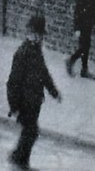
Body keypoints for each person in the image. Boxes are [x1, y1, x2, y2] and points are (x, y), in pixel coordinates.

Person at [7, 13, 62, 169]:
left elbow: (44, 74)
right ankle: (20, 161)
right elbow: (13, 83)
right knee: (31, 131)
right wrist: (14, 106)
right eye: (36, 34)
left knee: (30, 131)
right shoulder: (22, 53)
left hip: (35, 101)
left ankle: (19, 158)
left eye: (40, 35)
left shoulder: (36, 52)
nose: (39, 38)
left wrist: (54, 92)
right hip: (25, 102)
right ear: (30, 33)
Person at [66, 0, 95, 80]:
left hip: (88, 24)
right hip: (82, 25)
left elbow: (93, 10)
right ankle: (71, 60)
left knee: (86, 47)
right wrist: (77, 28)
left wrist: (94, 22)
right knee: (83, 47)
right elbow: (77, 13)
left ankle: (84, 70)